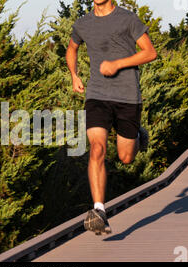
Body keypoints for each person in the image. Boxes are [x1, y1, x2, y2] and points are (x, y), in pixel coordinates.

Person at [66, 0, 157, 235]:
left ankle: (137, 134)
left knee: (126, 158)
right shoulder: (83, 23)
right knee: (97, 149)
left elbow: (150, 52)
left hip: (127, 96)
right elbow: (72, 48)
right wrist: (74, 75)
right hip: (97, 95)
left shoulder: (128, 19)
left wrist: (117, 64)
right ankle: (99, 211)